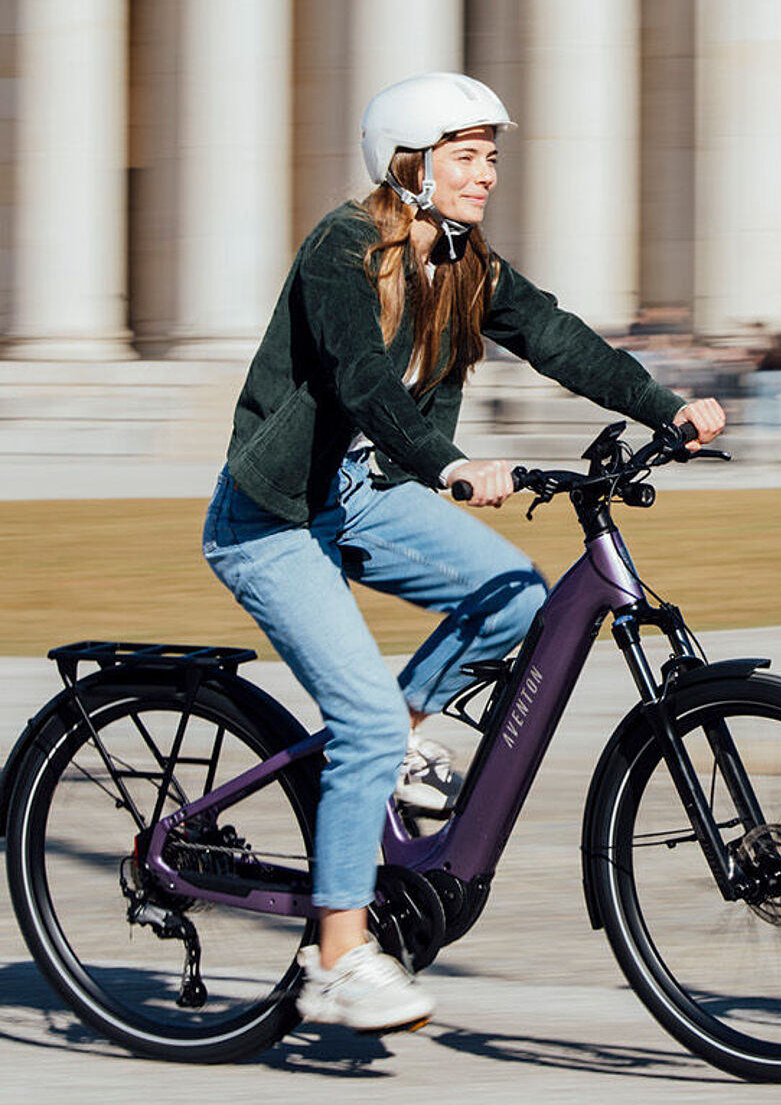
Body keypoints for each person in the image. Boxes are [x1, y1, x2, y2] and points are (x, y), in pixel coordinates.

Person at [202, 71, 725, 1035]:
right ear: (411, 164)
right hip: (272, 519)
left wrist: (666, 407)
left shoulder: (465, 261)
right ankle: (339, 955)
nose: (486, 173)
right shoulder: (343, 246)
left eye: (491, 156)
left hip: (359, 498)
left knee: (515, 597)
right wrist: (447, 464)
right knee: (355, 725)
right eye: (466, 155)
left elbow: (558, 337)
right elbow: (361, 382)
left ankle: (399, 733)